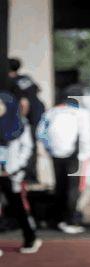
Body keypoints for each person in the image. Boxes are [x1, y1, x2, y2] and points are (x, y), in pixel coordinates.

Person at [37, 86, 90, 234]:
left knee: (60, 186)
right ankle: (70, 221)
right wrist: (86, 155)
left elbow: (40, 133)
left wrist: (50, 149)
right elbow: (87, 136)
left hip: (56, 155)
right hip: (76, 156)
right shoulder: (82, 113)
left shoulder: (52, 112)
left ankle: (57, 220)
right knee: (73, 188)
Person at [0, 91, 42, 255]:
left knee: (17, 206)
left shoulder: (21, 124)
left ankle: (30, 238)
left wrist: (16, 168)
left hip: (11, 173)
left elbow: (27, 148)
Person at [8, 58, 46, 184]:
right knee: (32, 146)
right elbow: (37, 90)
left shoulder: (11, 81)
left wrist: (22, 119)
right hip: (38, 112)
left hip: (29, 116)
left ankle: (27, 176)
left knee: (25, 146)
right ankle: (31, 176)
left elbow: (24, 103)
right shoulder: (25, 78)